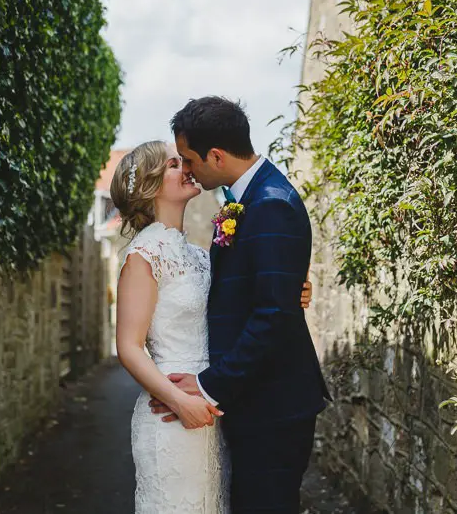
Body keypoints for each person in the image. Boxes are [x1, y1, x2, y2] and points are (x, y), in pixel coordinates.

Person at [111, 136, 315, 514]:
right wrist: (179, 402)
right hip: (172, 411)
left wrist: (291, 290)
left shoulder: (200, 254)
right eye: (174, 165)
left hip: (213, 406)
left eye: (183, 161)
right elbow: (127, 346)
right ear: (150, 187)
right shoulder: (143, 255)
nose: (187, 168)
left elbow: (241, 301)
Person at [159, 96, 332, 514]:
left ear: (215, 155)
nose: (187, 170)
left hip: (273, 405)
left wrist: (207, 385)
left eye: (188, 159)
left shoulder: (270, 204)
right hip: (256, 399)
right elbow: (265, 293)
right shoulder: (248, 197)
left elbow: (272, 314)